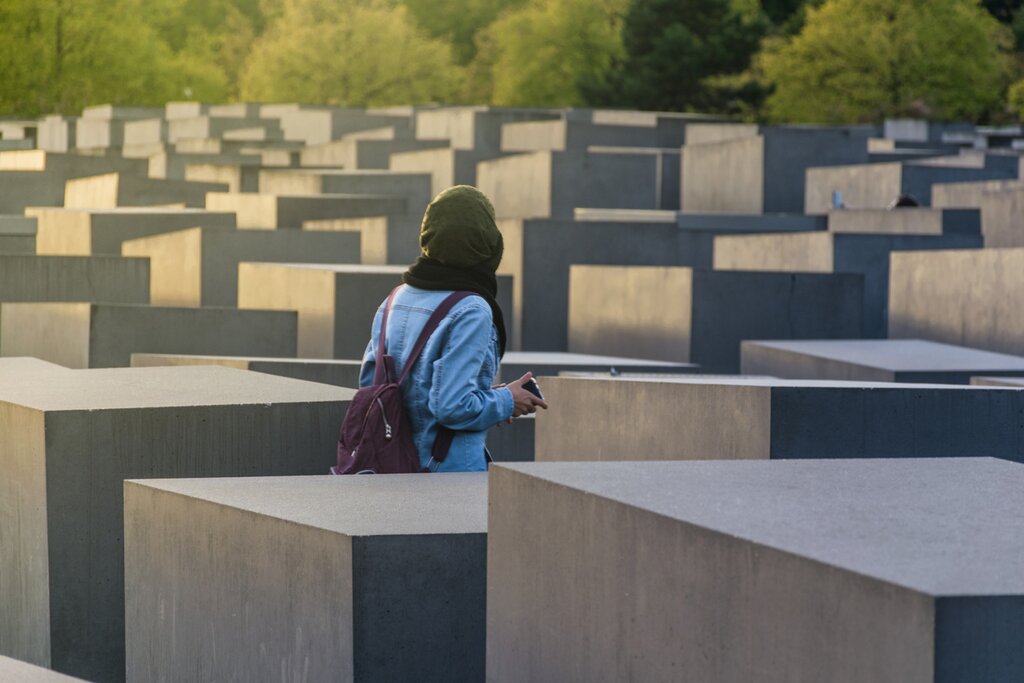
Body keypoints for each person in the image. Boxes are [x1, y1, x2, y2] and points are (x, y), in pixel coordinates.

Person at [358, 185, 547, 472]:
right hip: (448, 478)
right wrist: (507, 401)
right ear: (488, 243)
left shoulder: (394, 300)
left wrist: (492, 395)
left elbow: (371, 388)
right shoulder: (472, 310)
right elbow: (451, 406)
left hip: (391, 472)